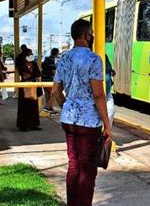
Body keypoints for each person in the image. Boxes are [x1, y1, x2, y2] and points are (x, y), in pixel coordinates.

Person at [51, 19, 112, 206]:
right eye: (91, 33)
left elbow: (55, 91)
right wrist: (107, 125)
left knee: (74, 165)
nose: (92, 36)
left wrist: (66, 107)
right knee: (87, 169)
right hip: (88, 122)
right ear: (87, 35)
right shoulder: (94, 59)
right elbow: (99, 95)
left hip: (69, 119)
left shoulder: (64, 59)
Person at [17, 48, 41, 131]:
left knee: (34, 105)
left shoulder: (34, 63)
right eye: (29, 54)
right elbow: (23, 74)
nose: (31, 55)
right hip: (24, 86)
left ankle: (33, 124)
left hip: (33, 86)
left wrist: (31, 76)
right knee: (24, 106)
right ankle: (23, 125)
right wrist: (31, 76)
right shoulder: (21, 63)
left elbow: (38, 73)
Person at [42, 48, 60, 114]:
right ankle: (47, 107)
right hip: (49, 79)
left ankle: (49, 108)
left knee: (47, 94)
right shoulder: (51, 60)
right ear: (56, 53)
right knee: (53, 94)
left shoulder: (46, 60)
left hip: (43, 79)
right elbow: (54, 72)